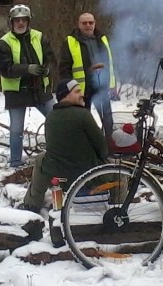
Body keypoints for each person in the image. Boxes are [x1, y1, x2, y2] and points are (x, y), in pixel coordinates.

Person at [20, 79, 109, 212]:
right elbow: (102, 149)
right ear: (66, 96)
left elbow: (53, 149)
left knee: (40, 160)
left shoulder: (50, 117)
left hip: (58, 177)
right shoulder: (84, 115)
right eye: (77, 91)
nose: (82, 94)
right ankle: (117, 208)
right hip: (86, 176)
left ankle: (32, 205)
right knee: (121, 172)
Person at [0, 4, 56, 168]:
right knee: (16, 129)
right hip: (17, 91)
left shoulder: (40, 37)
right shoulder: (4, 43)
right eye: (17, 20)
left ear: (28, 21)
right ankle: (15, 162)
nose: (20, 23)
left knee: (56, 119)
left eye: (23, 20)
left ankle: (56, 155)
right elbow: (5, 69)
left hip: (39, 89)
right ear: (12, 22)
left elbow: (51, 58)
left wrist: (48, 69)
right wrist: (27, 69)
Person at [59, 12, 117, 140]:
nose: (88, 25)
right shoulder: (70, 41)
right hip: (81, 89)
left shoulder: (102, 38)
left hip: (101, 86)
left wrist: (112, 85)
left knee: (107, 118)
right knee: (83, 120)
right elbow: (64, 68)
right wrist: (69, 89)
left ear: (95, 23)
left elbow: (111, 64)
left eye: (91, 22)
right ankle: (86, 147)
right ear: (78, 25)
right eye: (84, 23)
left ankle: (109, 146)